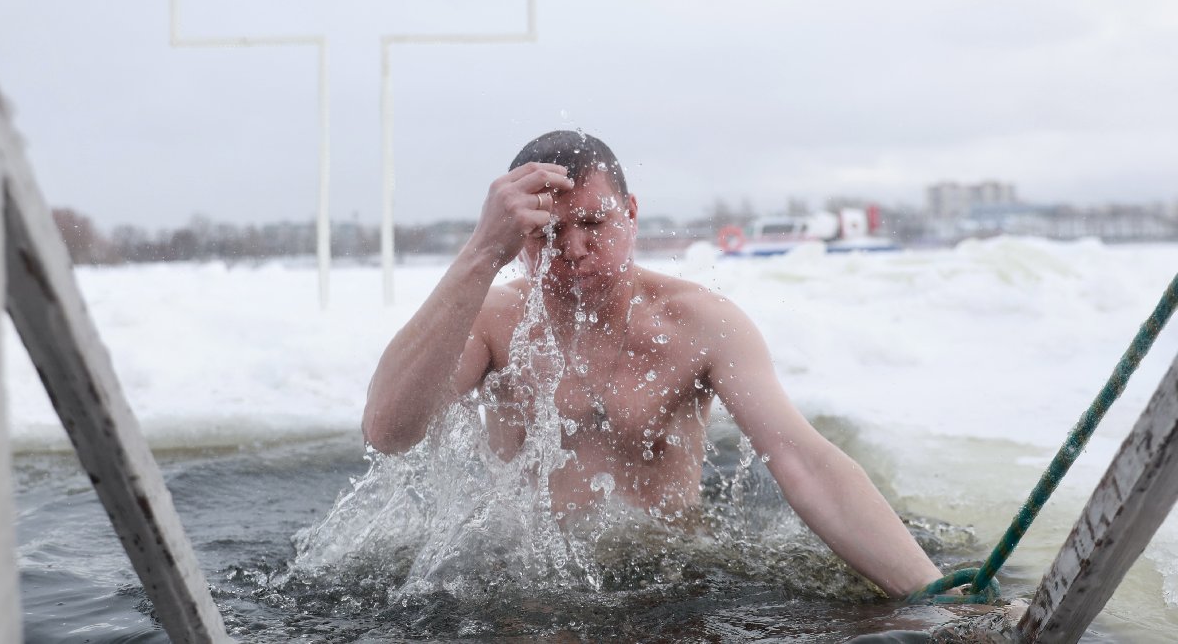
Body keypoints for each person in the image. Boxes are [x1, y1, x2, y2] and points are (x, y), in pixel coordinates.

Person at [362, 130, 944, 599]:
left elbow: (803, 461)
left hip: (670, 576)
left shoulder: (699, 324)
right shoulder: (492, 320)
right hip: (528, 583)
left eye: (594, 224)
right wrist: (483, 252)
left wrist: (933, 593)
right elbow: (389, 431)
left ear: (631, 213)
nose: (574, 253)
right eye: (548, 234)